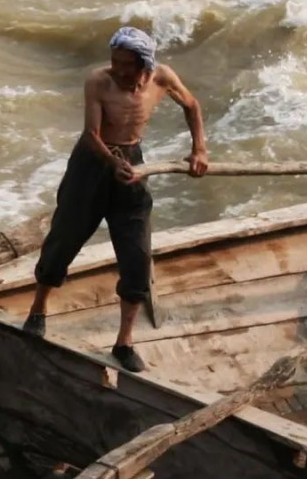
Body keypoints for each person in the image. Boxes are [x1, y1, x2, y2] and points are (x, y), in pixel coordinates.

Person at [23, 26, 209, 372]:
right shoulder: (98, 81)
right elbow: (92, 134)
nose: (119, 70)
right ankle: (38, 310)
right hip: (92, 165)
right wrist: (114, 164)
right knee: (64, 238)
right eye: (115, 62)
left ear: (145, 64)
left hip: (133, 164)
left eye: (127, 64)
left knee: (137, 256)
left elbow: (192, 105)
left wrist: (199, 149)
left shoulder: (163, 77)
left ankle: (124, 343)